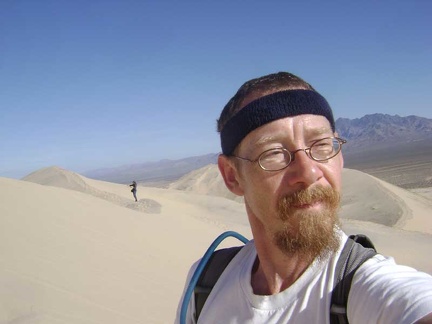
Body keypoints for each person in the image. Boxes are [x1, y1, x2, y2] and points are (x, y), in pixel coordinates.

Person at [176, 72, 432, 323]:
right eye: (273, 152)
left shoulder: (369, 287)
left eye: (321, 144)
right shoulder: (205, 283)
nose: (309, 172)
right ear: (232, 176)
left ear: (340, 157)